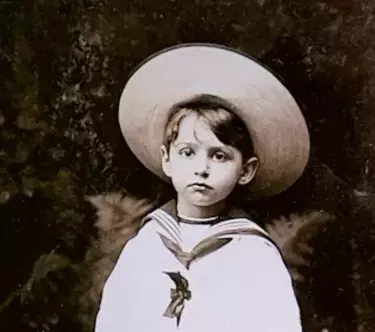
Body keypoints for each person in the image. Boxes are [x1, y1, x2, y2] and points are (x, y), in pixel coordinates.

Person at [94, 43, 310, 331]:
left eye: (219, 155)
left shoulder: (253, 255)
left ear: (245, 170)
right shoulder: (146, 246)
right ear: (167, 159)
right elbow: (114, 322)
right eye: (187, 152)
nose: (201, 168)